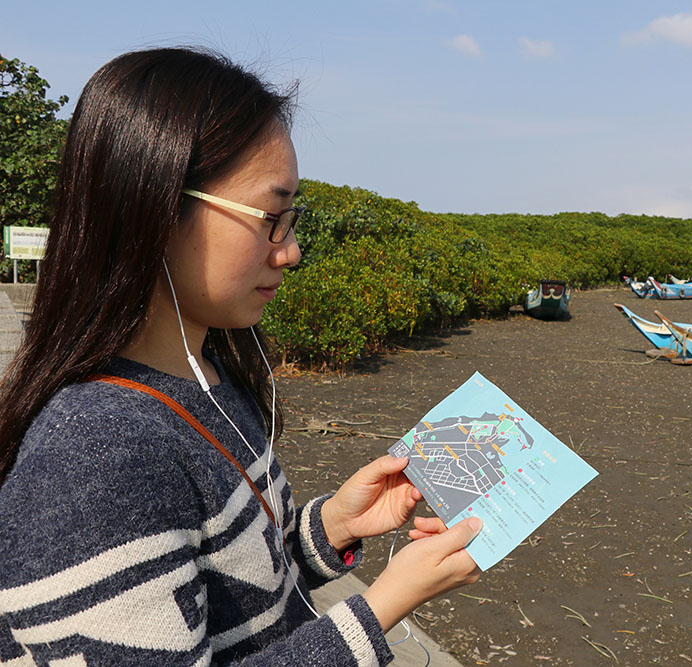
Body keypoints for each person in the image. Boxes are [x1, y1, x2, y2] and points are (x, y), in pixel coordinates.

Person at [0, 47, 481, 666]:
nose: (292, 250)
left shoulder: (207, 379)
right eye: (271, 217)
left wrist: (335, 524)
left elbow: (230, 591)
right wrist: (383, 606)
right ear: (157, 207)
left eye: (293, 217)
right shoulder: (93, 458)